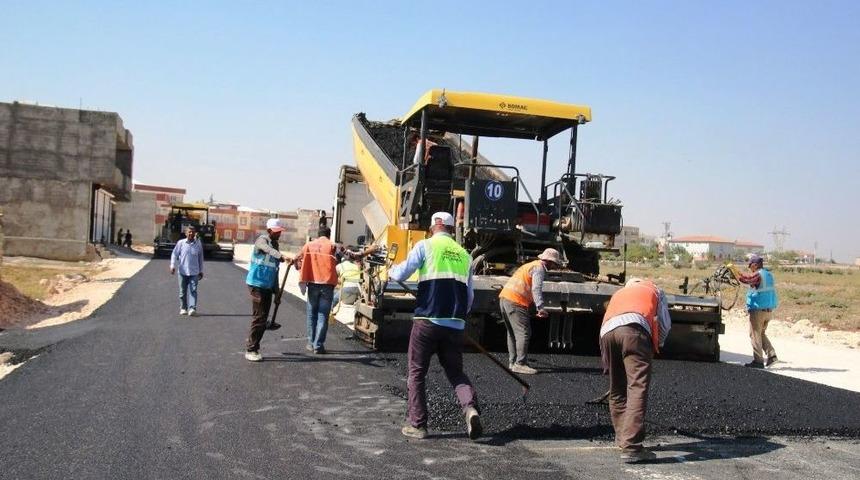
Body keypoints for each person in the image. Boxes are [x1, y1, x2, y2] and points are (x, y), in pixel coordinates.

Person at [389, 211, 482, 441]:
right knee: (455, 371)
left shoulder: (425, 246)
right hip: (455, 324)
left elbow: (401, 273)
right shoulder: (465, 255)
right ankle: (470, 408)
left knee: (417, 372)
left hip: (427, 321)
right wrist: (457, 319)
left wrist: (390, 270)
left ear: (433, 227)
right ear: (451, 229)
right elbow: (469, 297)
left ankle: (418, 424)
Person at [599, 277, 671, 462]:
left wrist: (607, 361)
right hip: (634, 330)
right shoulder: (655, 290)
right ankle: (632, 447)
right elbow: (664, 323)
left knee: (617, 389)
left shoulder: (620, 293)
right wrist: (657, 344)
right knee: (637, 388)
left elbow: (608, 321)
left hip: (606, 334)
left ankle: (622, 439)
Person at [498, 248, 562, 374]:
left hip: (505, 299)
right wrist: (540, 307)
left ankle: (513, 362)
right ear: (549, 261)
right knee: (524, 332)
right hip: (516, 301)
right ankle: (520, 363)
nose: (555, 266)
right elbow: (536, 289)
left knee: (512, 332)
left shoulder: (530, 265)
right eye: (555, 263)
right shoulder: (539, 269)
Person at [244, 218, 292, 362]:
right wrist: (281, 256)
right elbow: (267, 250)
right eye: (277, 232)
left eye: (280, 232)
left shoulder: (275, 245)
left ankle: (255, 346)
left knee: (263, 318)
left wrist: (277, 293)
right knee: (259, 317)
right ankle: (251, 349)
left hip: (268, 286)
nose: (279, 234)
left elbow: (275, 271)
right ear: (269, 230)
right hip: (256, 284)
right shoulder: (261, 240)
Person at [295, 227, 340, 354]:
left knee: (311, 314)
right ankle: (318, 345)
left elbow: (297, 258)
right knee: (322, 315)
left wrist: (299, 269)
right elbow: (349, 255)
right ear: (329, 235)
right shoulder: (332, 246)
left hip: (313, 284)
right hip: (327, 285)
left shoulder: (308, 245)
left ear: (318, 235)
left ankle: (310, 343)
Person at [735, 254, 779, 368]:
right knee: (761, 333)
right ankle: (772, 355)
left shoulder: (758, 275)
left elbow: (747, 279)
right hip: (768, 310)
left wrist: (735, 274)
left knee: (754, 334)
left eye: (750, 265)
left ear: (755, 265)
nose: (750, 267)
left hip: (758, 310)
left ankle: (758, 361)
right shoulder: (768, 275)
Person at [169, 226, 204, 316]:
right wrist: (172, 265)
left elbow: (200, 258)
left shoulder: (198, 244)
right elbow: (174, 254)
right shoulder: (181, 243)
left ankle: (192, 308)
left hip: (194, 272)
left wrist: (201, 270)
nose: (191, 233)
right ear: (185, 233)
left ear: (195, 233)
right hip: (182, 271)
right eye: (189, 232)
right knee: (182, 291)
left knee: (193, 290)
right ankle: (183, 308)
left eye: (192, 232)